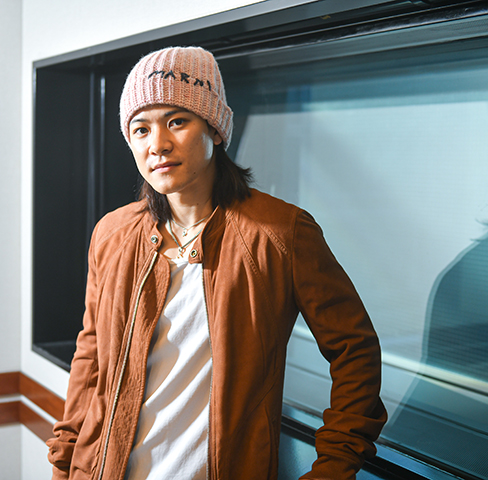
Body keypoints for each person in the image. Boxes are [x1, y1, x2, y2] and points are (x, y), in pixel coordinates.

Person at [46, 46, 387, 480]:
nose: (158, 145)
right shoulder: (112, 233)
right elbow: (91, 357)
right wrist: (63, 462)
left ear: (215, 127)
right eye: (141, 129)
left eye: (177, 121)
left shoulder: (280, 233)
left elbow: (356, 353)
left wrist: (332, 469)